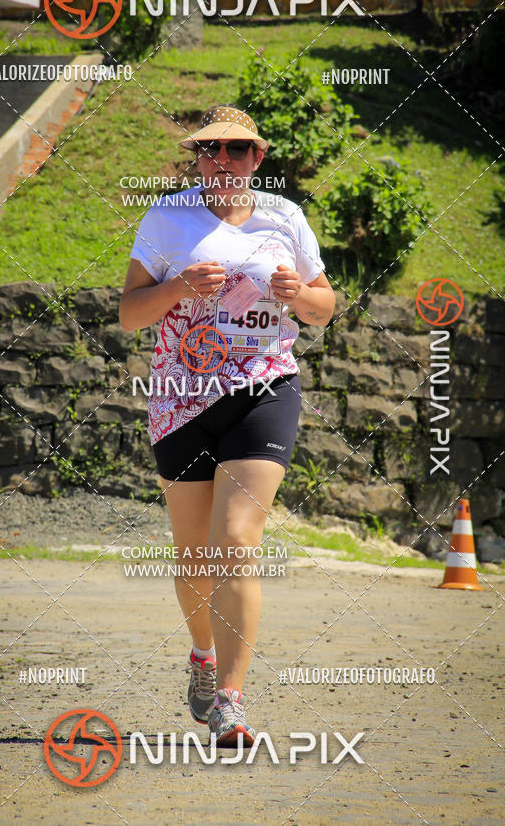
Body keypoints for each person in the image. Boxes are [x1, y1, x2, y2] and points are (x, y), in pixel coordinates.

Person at [119, 105, 335, 747]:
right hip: (182, 398)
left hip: (265, 388)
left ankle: (232, 703)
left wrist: (298, 294)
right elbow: (130, 314)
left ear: (257, 159)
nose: (223, 159)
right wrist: (179, 286)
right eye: (210, 148)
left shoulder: (284, 218)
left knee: (237, 538)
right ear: (197, 157)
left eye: (237, 150)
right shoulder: (167, 217)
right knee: (195, 559)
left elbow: (323, 309)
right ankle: (204, 659)